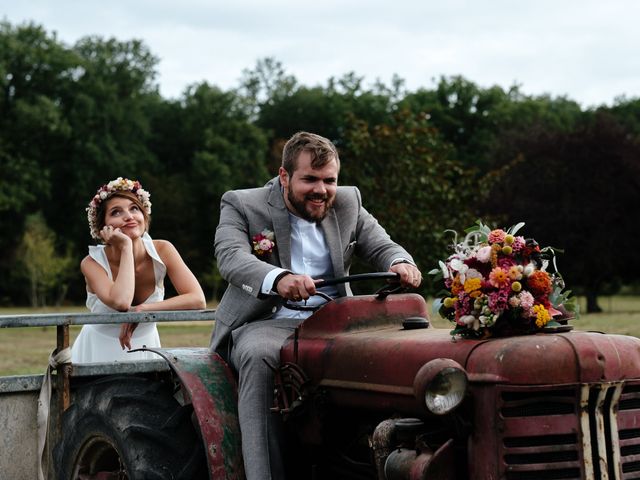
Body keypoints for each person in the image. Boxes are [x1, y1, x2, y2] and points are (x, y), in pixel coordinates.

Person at [210, 132, 422, 479]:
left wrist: (400, 262)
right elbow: (231, 257)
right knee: (259, 357)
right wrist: (278, 278)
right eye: (309, 179)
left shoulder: (349, 201)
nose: (321, 189)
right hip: (269, 321)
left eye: (329, 180)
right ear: (284, 177)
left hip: (339, 321)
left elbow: (383, 245)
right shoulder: (242, 204)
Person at [71, 177, 206, 363]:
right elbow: (121, 302)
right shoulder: (91, 263)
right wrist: (126, 246)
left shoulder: (163, 250)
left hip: (147, 347)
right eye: (116, 212)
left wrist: (144, 309)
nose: (129, 216)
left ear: (144, 215)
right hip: (98, 351)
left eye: (134, 208)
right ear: (103, 227)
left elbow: (197, 299)